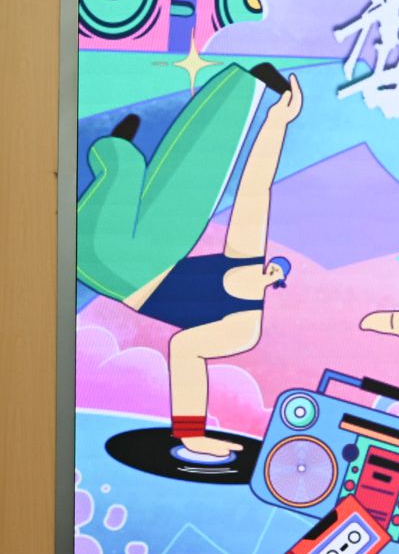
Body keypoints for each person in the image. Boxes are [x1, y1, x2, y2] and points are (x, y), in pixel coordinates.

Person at [76, 62, 301, 457]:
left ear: (274, 285)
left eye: (275, 275)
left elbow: (184, 348)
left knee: (123, 169)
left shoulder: (241, 328)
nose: (268, 273)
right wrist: (276, 122)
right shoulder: (246, 258)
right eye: (272, 268)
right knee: (193, 176)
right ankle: (242, 84)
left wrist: (192, 433)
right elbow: (255, 187)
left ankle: (115, 150)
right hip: (156, 250)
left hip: (105, 262)